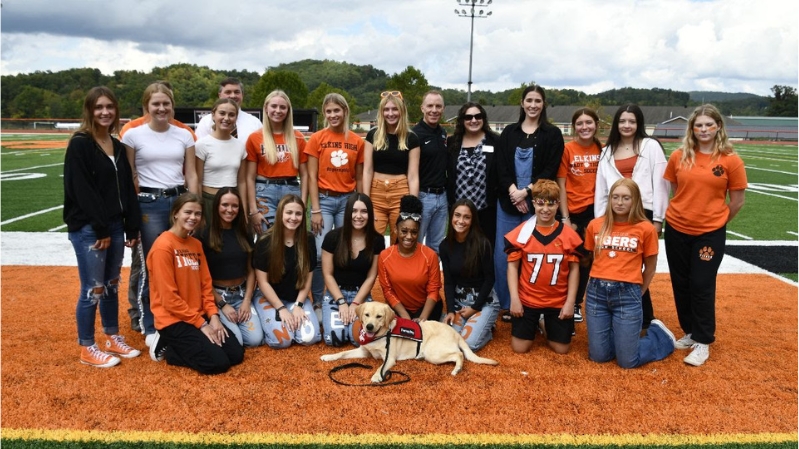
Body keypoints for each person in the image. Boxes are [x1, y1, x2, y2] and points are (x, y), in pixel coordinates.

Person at [64, 86, 142, 367]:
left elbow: (126, 189)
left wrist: (131, 227)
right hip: (90, 228)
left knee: (111, 285)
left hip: (114, 225)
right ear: (89, 111)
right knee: (93, 288)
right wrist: (100, 229)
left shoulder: (117, 145)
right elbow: (81, 190)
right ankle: (87, 346)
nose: (105, 112)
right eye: (98, 107)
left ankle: (112, 336)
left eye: (109, 106)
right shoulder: (80, 144)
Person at [664, 104, 747, 367]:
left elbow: (737, 201)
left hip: (709, 234)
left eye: (708, 125)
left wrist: (716, 222)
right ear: (692, 129)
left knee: (701, 284)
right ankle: (689, 331)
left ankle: (703, 340)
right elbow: (675, 190)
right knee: (681, 282)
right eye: (698, 125)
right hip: (677, 228)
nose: (703, 129)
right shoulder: (679, 156)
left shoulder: (730, 160)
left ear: (718, 127)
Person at [122, 82, 198, 347]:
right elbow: (129, 176)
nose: (161, 108)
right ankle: (150, 322)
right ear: (147, 106)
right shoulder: (133, 135)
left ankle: (178, 314)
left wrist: (194, 205)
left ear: (172, 106)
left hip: (178, 199)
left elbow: (191, 173)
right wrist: (130, 216)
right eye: (156, 103)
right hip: (148, 203)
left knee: (181, 259)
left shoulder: (184, 135)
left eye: (166, 103)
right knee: (150, 264)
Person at [147, 193, 245, 374]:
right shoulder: (163, 247)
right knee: (218, 364)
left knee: (235, 354)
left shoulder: (196, 244)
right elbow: (169, 299)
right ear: (175, 213)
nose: (193, 217)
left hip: (197, 315)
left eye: (197, 214)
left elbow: (205, 286)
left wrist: (213, 317)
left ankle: (188, 343)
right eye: (188, 212)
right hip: (174, 320)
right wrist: (201, 324)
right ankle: (170, 350)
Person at [584, 178, 676, 369]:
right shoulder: (595, 225)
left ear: (635, 201)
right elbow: (592, 257)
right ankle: (619, 339)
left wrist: (638, 292)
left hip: (628, 294)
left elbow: (650, 268)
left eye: (626, 198)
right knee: (599, 357)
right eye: (615, 197)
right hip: (596, 294)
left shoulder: (646, 229)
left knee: (628, 361)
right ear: (609, 200)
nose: (619, 202)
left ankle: (660, 335)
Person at [594, 103, 669, 329]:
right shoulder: (607, 151)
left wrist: (658, 219)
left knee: (638, 267)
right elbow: (601, 189)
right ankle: (624, 316)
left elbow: (661, 184)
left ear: (639, 124)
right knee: (619, 266)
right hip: (614, 214)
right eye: (623, 121)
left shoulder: (650, 146)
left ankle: (645, 319)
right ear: (617, 124)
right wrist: (600, 222)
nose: (627, 125)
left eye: (632, 121)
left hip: (642, 212)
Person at [494, 85, 565, 322]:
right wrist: (514, 192)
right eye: (529, 100)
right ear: (522, 103)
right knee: (505, 255)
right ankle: (508, 305)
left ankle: (532, 305)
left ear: (543, 104)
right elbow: (501, 167)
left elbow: (550, 169)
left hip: (538, 205)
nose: (533, 105)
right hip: (508, 202)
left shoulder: (552, 134)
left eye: (537, 101)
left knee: (534, 255)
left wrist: (527, 192)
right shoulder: (509, 133)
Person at [504, 180, 582, 355]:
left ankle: (543, 323)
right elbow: (512, 268)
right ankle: (536, 322)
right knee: (520, 348)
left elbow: (574, 270)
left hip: (557, 300)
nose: (545, 209)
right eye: (540, 203)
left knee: (561, 349)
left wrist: (570, 303)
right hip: (528, 299)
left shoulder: (568, 235)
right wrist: (515, 299)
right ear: (533, 203)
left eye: (551, 203)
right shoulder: (522, 233)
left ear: (558, 204)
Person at [305, 93, 365, 309]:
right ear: (324, 114)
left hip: (348, 202)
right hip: (324, 200)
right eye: (329, 111)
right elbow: (311, 176)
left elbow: (359, 177)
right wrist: (315, 210)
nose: (333, 115)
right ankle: (319, 302)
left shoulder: (357, 141)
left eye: (336, 110)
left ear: (345, 111)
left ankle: (343, 296)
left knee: (346, 252)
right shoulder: (317, 138)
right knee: (322, 254)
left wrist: (362, 203)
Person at [252, 194, 322, 348]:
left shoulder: (308, 239)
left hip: (295, 296)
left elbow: (308, 278)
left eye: (298, 214)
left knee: (309, 338)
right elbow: (262, 282)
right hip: (269, 297)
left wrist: (298, 305)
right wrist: (281, 309)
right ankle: (266, 322)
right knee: (282, 341)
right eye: (289, 213)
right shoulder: (265, 241)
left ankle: (287, 319)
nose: (293, 218)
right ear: (280, 214)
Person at [200, 187, 263, 347]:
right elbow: (201, 278)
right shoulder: (204, 235)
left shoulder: (245, 232)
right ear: (216, 207)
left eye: (234, 206)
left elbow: (250, 271)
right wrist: (222, 304)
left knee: (254, 340)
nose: (230, 210)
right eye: (225, 205)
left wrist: (247, 301)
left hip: (241, 295)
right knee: (236, 342)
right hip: (218, 297)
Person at [557, 107, 603, 322]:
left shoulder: (603, 149)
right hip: (572, 212)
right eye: (580, 123)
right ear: (574, 127)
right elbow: (562, 184)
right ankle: (562, 300)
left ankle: (576, 303)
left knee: (587, 259)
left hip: (595, 212)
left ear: (596, 125)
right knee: (568, 258)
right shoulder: (568, 149)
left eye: (589, 122)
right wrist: (565, 218)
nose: (585, 127)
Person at [321, 193, 384, 346]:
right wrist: (342, 302)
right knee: (335, 340)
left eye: (364, 211)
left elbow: (371, 277)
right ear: (347, 213)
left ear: (370, 214)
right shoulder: (332, 237)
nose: (358, 216)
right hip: (336, 294)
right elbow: (327, 274)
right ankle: (324, 313)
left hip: (360, 296)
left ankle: (346, 322)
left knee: (359, 340)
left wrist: (355, 304)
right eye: (354, 211)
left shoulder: (377, 240)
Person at [440, 199, 499, 351]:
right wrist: (451, 310)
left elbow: (490, 279)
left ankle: (488, 328)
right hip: (460, 303)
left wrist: (475, 307)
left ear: (472, 220)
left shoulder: (483, 244)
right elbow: (449, 282)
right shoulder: (445, 246)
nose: (461, 221)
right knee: (448, 342)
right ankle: (479, 324)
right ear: (451, 217)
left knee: (468, 345)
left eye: (466, 217)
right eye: (457, 215)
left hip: (484, 302)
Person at [245, 90, 308, 234]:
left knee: (291, 235)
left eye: (282, 107)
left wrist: (303, 203)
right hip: (264, 191)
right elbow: (249, 177)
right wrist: (253, 210)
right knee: (268, 236)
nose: (278, 111)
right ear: (266, 108)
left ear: (288, 110)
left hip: (291, 189)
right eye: (274, 106)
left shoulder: (297, 138)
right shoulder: (255, 138)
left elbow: (305, 175)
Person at [363, 91, 420, 244]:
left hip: (400, 192)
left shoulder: (411, 138)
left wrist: (412, 205)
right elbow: (367, 170)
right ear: (381, 112)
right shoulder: (373, 135)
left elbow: (413, 175)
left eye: (394, 109)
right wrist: (365, 199)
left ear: (401, 111)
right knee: (372, 239)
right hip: (376, 191)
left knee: (400, 239)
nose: (390, 113)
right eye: (386, 109)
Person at [377, 195, 443, 322]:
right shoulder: (385, 256)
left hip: (426, 308)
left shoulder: (430, 255)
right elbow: (388, 291)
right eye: (404, 231)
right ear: (395, 229)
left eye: (414, 232)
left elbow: (433, 290)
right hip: (399, 308)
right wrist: (405, 317)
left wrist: (423, 318)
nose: (409, 236)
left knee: (424, 337)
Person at [446, 102, 500, 244]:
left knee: (486, 250)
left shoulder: (495, 141)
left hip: (487, 210)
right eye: (468, 117)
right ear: (462, 121)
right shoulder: (452, 143)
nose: (474, 120)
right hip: (460, 213)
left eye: (478, 116)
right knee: (460, 250)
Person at [195, 98, 248, 226]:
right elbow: (197, 181)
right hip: (209, 201)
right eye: (222, 113)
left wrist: (245, 211)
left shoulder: (240, 146)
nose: (226, 118)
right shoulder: (202, 145)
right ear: (213, 115)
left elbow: (242, 181)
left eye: (231, 114)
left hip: (233, 203)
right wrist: (198, 210)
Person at [413, 91, 449, 253]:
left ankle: (431, 279)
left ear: (443, 109)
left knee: (435, 246)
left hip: (442, 197)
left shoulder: (442, 133)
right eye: (430, 106)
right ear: (422, 108)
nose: (434, 110)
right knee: (416, 243)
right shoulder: (414, 134)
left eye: (438, 106)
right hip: (422, 196)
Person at [195, 77, 262, 140]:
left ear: (242, 95)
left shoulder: (255, 123)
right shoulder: (206, 122)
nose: (233, 96)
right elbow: (199, 149)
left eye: (237, 92)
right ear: (220, 95)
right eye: (228, 92)